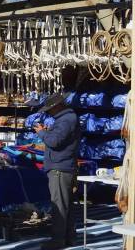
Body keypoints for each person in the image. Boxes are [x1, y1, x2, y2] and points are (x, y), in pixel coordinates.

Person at [33, 93, 81, 250]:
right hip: (64, 166)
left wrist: (42, 132)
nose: (49, 113)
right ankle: (69, 237)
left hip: (60, 167)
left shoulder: (66, 120)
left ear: (57, 107)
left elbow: (54, 141)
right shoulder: (67, 119)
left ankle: (58, 240)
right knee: (66, 204)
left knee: (59, 205)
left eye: (50, 110)